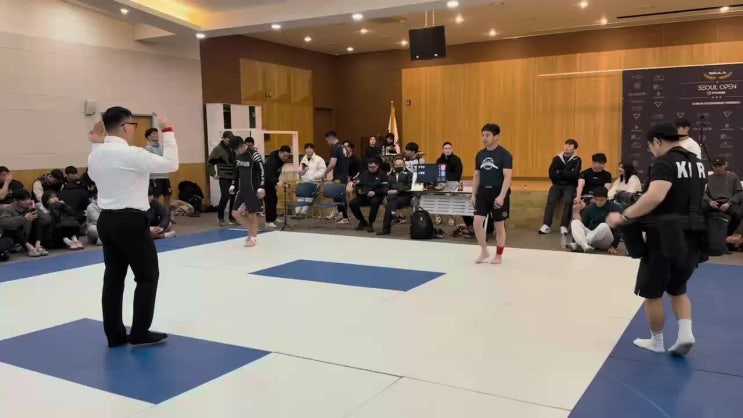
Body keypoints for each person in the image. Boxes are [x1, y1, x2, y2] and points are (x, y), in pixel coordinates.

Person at [607, 121, 707, 357]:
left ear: (657, 141)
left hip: (666, 233)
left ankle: (656, 341)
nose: (651, 151)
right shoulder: (698, 163)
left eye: (650, 146)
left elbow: (655, 196)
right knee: (678, 288)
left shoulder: (665, 162)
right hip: (695, 232)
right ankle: (685, 333)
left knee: (652, 291)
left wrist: (624, 216)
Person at [87, 107, 179, 348]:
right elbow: (171, 164)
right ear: (125, 126)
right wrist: (167, 130)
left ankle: (114, 335)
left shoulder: (95, 154)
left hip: (106, 220)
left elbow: (94, 175)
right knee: (147, 276)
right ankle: (139, 332)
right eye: (133, 125)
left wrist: (96, 144)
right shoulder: (133, 154)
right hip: (130, 221)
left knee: (113, 279)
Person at [472, 123, 513, 264]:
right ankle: (484, 251)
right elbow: (477, 175)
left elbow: (507, 177)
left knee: (499, 226)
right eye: (483, 135)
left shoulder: (505, 155)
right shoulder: (480, 154)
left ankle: (499, 255)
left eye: (487, 135)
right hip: (483, 192)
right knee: (477, 223)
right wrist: (473, 194)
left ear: (496, 137)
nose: (484, 138)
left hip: (498, 192)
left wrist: (501, 196)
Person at [540, 139, 582, 235]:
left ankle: (564, 226)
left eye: (570, 145)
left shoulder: (577, 160)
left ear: (574, 149)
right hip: (557, 184)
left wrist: (560, 172)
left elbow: (574, 174)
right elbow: (552, 174)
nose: (567, 147)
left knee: (568, 201)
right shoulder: (557, 159)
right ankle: (546, 225)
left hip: (570, 185)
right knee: (551, 201)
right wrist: (566, 173)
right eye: (566, 145)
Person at [229, 136, 265, 247]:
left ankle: (253, 237)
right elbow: (236, 172)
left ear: (242, 146)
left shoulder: (254, 155)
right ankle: (252, 230)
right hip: (242, 189)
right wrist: (233, 184)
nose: (236, 152)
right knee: (234, 212)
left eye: (237, 150)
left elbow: (262, 171)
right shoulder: (238, 156)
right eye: (234, 151)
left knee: (252, 214)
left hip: (253, 189)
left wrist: (261, 186)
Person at [569, 186, 622, 254]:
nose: (598, 202)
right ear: (593, 198)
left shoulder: (615, 208)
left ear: (607, 198)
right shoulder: (589, 208)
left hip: (606, 240)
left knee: (604, 226)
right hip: (592, 238)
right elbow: (583, 225)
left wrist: (613, 246)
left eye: (601, 200)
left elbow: (617, 230)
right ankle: (583, 244)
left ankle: (580, 244)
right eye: (596, 199)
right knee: (575, 222)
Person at [703, 157, 743, 237]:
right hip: (714, 202)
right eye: (715, 166)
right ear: (712, 166)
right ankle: (705, 235)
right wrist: (709, 201)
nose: (718, 168)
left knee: (738, 214)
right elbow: (703, 193)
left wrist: (729, 203)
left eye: (720, 166)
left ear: (724, 165)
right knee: (701, 210)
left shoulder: (733, 177)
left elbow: (740, 193)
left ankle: (727, 234)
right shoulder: (708, 178)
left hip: (728, 202)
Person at [348, 157, 389, 232]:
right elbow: (358, 185)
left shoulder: (382, 174)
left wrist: (375, 192)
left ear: (377, 166)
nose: (371, 169)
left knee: (374, 202)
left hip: (376, 195)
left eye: (373, 167)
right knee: (352, 203)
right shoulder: (364, 174)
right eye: (369, 167)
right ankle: (362, 221)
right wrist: (359, 190)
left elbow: (385, 188)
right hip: (364, 195)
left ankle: (370, 223)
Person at [207, 131, 237, 226]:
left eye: (231, 138)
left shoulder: (234, 148)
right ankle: (220, 217)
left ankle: (232, 218)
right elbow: (210, 163)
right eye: (228, 138)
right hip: (224, 176)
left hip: (234, 176)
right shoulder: (218, 149)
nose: (230, 140)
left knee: (233, 197)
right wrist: (213, 174)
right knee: (225, 196)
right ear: (223, 138)